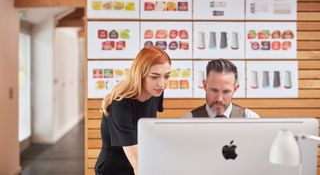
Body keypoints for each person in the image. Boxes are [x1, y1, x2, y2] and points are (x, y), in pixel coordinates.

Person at [94, 46, 171, 175]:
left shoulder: (156, 93)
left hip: (140, 162)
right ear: (140, 75)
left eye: (167, 76)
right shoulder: (121, 106)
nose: (162, 84)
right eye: (154, 77)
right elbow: (138, 164)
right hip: (114, 169)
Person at [186, 59, 259, 118]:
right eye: (214, 90)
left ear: (235, 89)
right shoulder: (189, 120)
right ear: (205, 86)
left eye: (226, 91)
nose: (219, 99)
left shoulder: (250, 118)